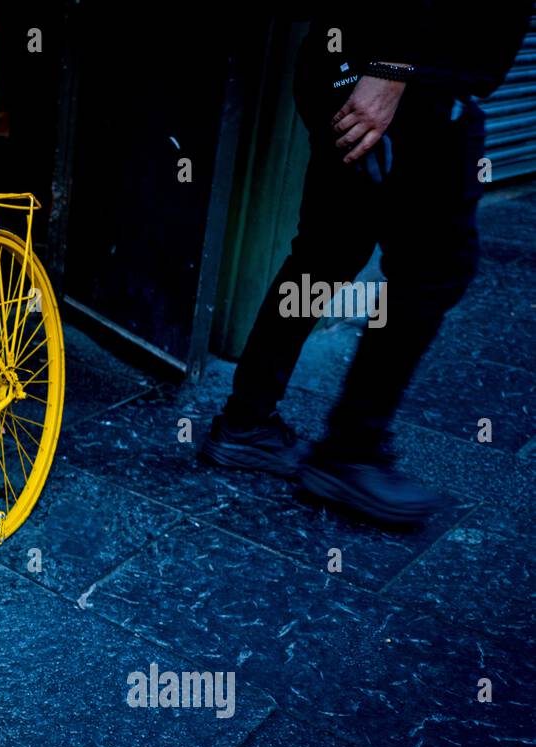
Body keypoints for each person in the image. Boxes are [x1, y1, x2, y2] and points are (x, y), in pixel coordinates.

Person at [200, 3, 531, 524]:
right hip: (400, 84)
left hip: (372, 72)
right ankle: (349, 453)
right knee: (432, 268)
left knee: (328, 254)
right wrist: (392, 69)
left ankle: (246, 423)